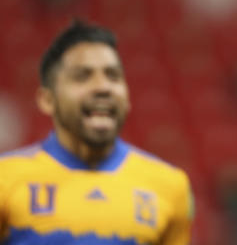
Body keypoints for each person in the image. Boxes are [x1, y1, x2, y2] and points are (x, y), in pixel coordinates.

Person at [0, 20, 194, 244]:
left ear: (128, 98)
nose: (103, 87)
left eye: (113, 76)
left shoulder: (171, 186)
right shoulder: (6, 178)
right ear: (47, 100)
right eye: (82, 76)